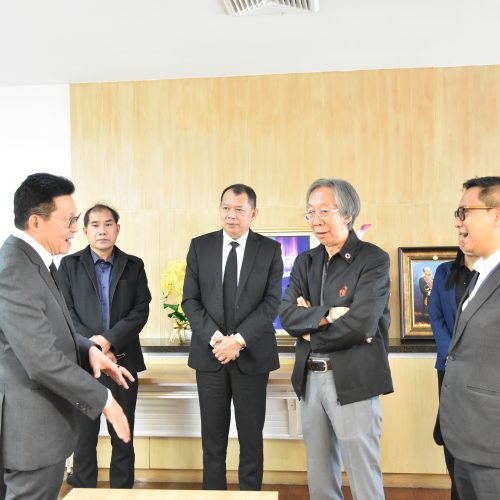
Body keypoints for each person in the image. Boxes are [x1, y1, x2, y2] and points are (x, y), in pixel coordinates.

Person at [0, 173, 133, 500]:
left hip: (43, 430)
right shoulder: (15, 267)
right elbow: (41, 360)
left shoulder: (39, 262)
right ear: (36, 221)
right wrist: (104, 400)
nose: (76, 228)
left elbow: (54, 329)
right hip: (29, 432)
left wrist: (89, 350)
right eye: (69, 220)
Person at [280, 178, 393, 500]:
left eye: (324, 211)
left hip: (354, 377)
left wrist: (310, 328)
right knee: (319, 478)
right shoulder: (305, 261)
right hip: (309, 380)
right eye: (310, 212)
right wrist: (330, 315)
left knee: (363, 476)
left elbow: (362, 324)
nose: (315, 220)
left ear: (347, 214)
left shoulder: (373, 259)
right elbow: (287, 315)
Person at [182, 184, 283, 491]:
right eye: (226, 208)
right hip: (210, 356)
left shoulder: (270, 250)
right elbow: (190, 301)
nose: (231, 215)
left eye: (239, 209)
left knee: (251, 439)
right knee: (212, 440)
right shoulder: (200, 246)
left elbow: (271, 303)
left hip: (252, 356)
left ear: (253, 213)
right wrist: (218, 340)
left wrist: (238, 340)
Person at [59, 204, 151, 488]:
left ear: (117, 229)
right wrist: (95, 348)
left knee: (122, 434)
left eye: (108, 224)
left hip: (123, 361)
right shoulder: (69, 265)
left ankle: (122, 491)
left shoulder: (134, 265)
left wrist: (109, 339)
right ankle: (83, 489)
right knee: (84, 437)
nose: (102, 230)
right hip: (83, 365)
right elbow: (65, 312)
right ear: (85, 231)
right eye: (95, 225)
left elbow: (140, 310)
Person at [439, 176, 500, 500]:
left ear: (496, 215)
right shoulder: (480, 274)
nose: (457, 222)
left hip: (492, 446)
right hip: (465, 440)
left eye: (465, 212)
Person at [429, 247, 478, 500]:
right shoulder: (443, 271)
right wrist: (451, 355)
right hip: (448, 366)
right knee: (451, 433)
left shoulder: (492, 273)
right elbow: (435, 315)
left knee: (477, 434)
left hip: (483, 369)